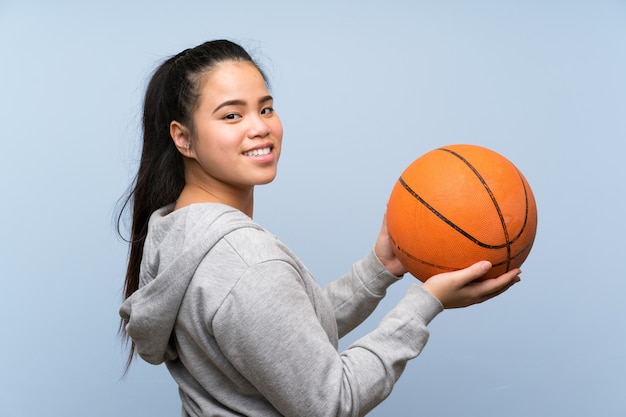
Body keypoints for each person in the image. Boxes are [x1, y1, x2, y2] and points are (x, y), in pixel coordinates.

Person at [118, 39, 521, 417]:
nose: (259, 127)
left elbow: (282, 338)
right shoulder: (247, 262)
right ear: (183, 138)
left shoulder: (177, 230)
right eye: (231, 115)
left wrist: (378, 270)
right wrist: (424, 304)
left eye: (266, 108)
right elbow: (332, 401)